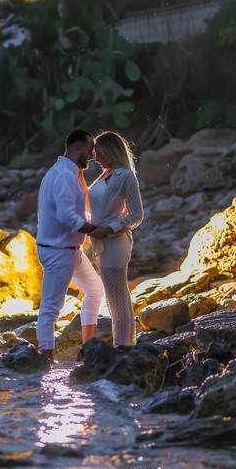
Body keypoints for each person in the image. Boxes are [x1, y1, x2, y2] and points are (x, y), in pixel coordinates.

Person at [36, 130, 105, 363]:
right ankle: (46, 362)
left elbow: (74, 211)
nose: (93, 155)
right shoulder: (64, 176)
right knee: (50, 309)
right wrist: (97, 230)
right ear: (77, 149)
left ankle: (88, 348)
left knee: (95, 289)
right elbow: (67, 218)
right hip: (58, 251)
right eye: (90, 150)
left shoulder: (68, 172)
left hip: (69, 250)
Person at [88, 131, 145, 346]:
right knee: (113, 300)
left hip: (115, 243)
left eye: (98, 151)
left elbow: (136, 215)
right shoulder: (104, 175)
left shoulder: (125, 176)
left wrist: (109, 228)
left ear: (110, 150)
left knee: (118, 298)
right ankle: (124, 345)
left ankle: (124, 348)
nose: (94, 156)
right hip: (101, 244)